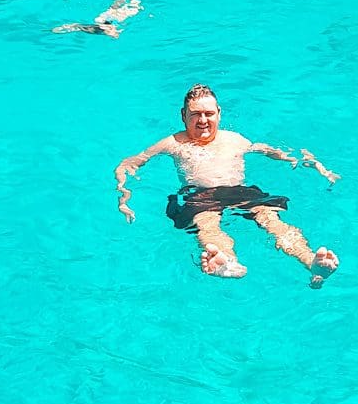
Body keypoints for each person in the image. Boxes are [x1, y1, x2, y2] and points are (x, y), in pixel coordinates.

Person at [114, 83, 340, 285]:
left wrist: (311, 163)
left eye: (209, 114)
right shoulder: (173, 143)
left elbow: (269, 151)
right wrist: (123, 194)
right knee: (207, 224)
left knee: (271, 220)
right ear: (183, 115)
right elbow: (129, 163)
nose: (203, 120)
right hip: (200, 195)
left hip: (240, 192)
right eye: (196, 114)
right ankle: (225, 262)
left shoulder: (235, 140)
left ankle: (310, 261)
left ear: (219, 114)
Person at [54, 0, 142, 37]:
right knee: (117, 11)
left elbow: (78, 26)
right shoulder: (114, 21)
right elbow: (78, 26)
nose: (116, 34)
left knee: (112, 10)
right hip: (106, 20)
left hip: (105, 20)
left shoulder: (102, 25)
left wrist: (66, 28)